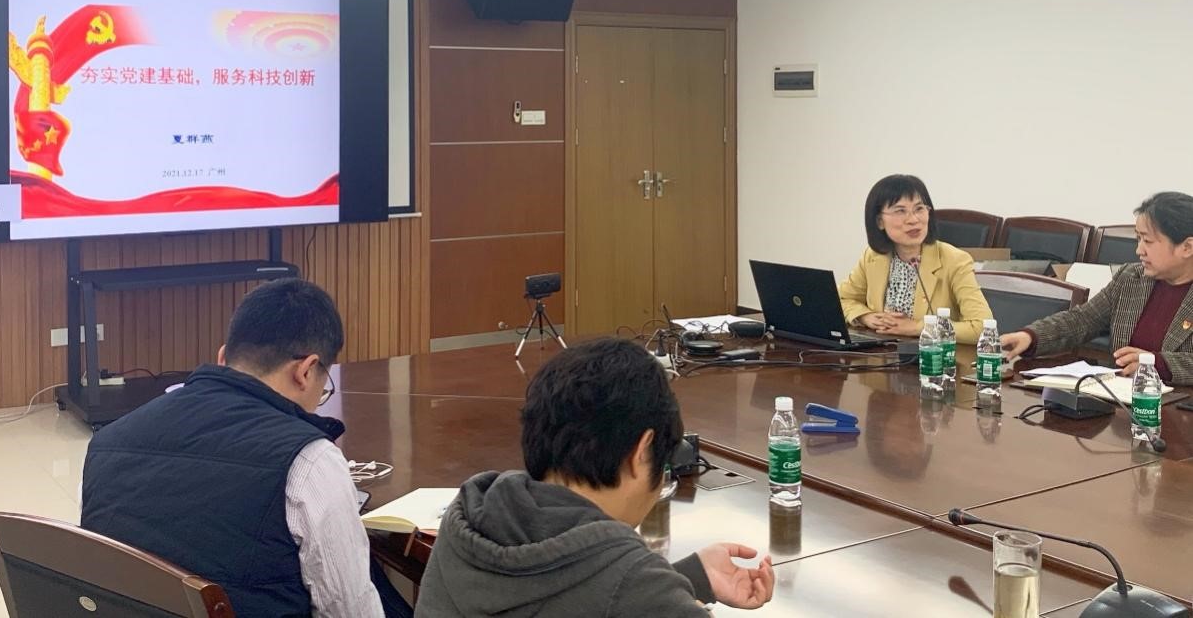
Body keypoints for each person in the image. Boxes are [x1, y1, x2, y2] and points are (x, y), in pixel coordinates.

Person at [81, 278, 407, 618]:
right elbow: (352, 611)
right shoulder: (309, 461)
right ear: (306, 371)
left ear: (223, 357)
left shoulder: (105, 445)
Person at [415, 338, 774, 617]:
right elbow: (616, 590)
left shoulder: (468, 521)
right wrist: (665, 590)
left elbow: (579, 590)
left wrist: (685, 578)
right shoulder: (640, 591)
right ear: (641, 452)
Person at [1001, 191, 1193, 384]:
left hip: (1179, 400)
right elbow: (1082, 320)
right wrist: (1031, 337)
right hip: (1120, 395)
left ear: (1187, 247)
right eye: (1138, 239)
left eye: (1148, 241)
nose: (1139, 250)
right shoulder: (1131, 278)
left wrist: (1157, 364)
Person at [839, 174, 993, 343]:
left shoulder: (955, 260)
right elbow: (842, 299)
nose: (913, 220)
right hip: (880, 352)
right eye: (900, 211)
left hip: (932, 355)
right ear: (879, 221)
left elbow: (981, 327)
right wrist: (864, 316)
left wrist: (917, 327)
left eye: (919, 209)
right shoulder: (874, 256)